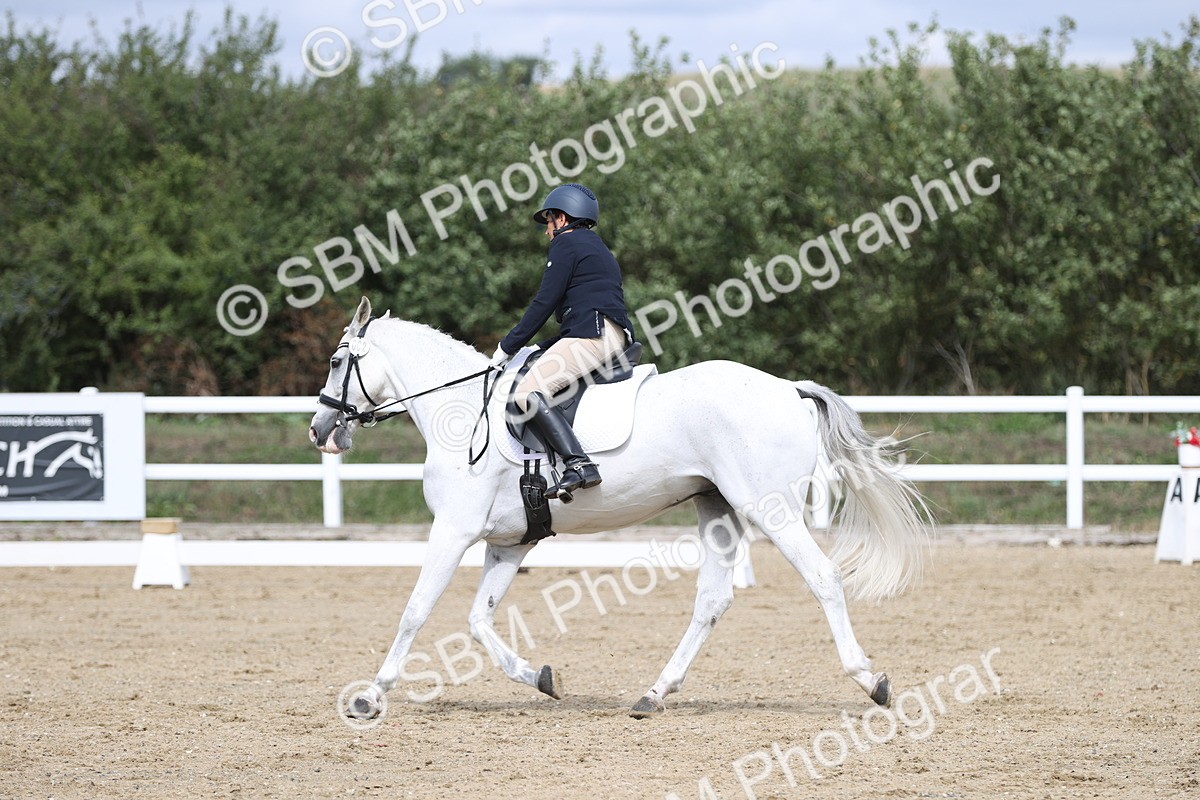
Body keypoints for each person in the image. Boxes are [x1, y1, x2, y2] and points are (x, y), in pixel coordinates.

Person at [490, 183, 636, 497]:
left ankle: (578, 463)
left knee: (527, 392)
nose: (547, 232)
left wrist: (508, 345)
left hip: (594, 334)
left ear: (563, 218)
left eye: (549, 221)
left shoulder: (566, 244)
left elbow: (544, 302)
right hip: (608, 332)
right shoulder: (596, 246)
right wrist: (541, 346)